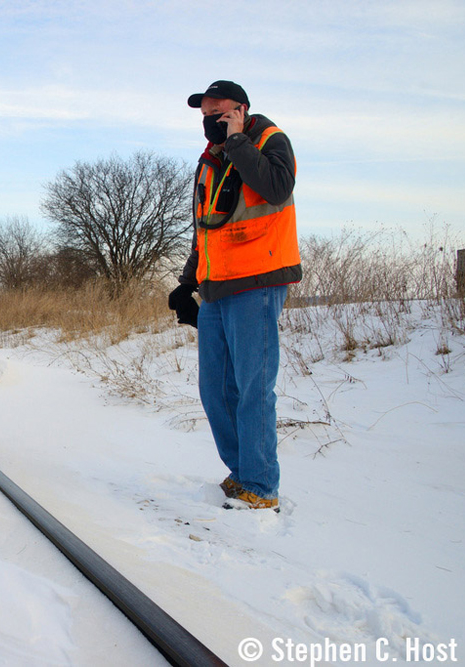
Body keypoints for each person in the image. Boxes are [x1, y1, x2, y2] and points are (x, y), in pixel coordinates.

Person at [168, 80, 301, 511]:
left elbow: (276, 187)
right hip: (217, 287)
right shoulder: (209, 159)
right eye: (206, 114)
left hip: (258, 282)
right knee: (215, 390)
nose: (211, 120)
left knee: (252, 389)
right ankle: (242, 472)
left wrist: (239, 140)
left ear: (241, 110)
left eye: (219, 112)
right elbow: (205, 229)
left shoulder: (268, 140)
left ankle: (261, 486)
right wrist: (188, 283)